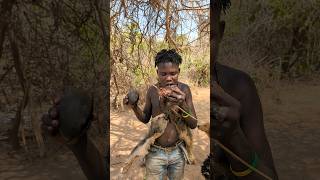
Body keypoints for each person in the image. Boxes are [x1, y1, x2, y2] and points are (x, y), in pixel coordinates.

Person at [209, 19, 279, 180]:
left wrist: (234, 137)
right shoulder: (175, 92)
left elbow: (269, 177)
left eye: (208, 37)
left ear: (221, 32)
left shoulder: (239, 86)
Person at [123, 49, 198, 180]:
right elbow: (145, 118)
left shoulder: (184, 90)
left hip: (178, 151)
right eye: (163, 74)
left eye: (173, 73)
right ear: (157, 73)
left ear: (179, 72)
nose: (169, 78)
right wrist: (134, 106)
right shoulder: (152, 91)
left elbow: (193, 123)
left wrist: (182, 104)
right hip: (155, 152)